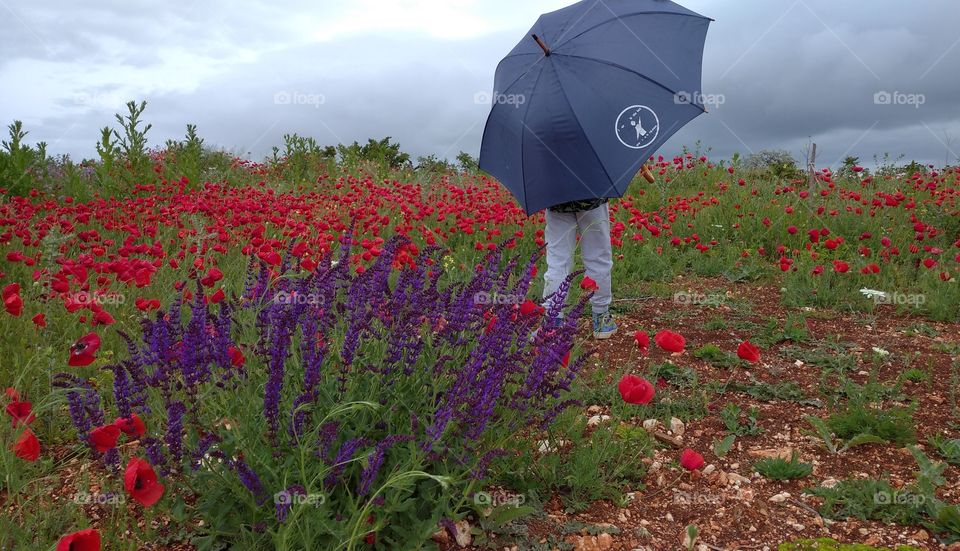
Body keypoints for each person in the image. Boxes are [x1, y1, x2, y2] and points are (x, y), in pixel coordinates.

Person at [541, 196, 617, 340]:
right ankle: (601, 319)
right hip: (592, 194)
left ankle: (552, 321)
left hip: (556, 197)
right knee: (598, 256)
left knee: (558, 261)